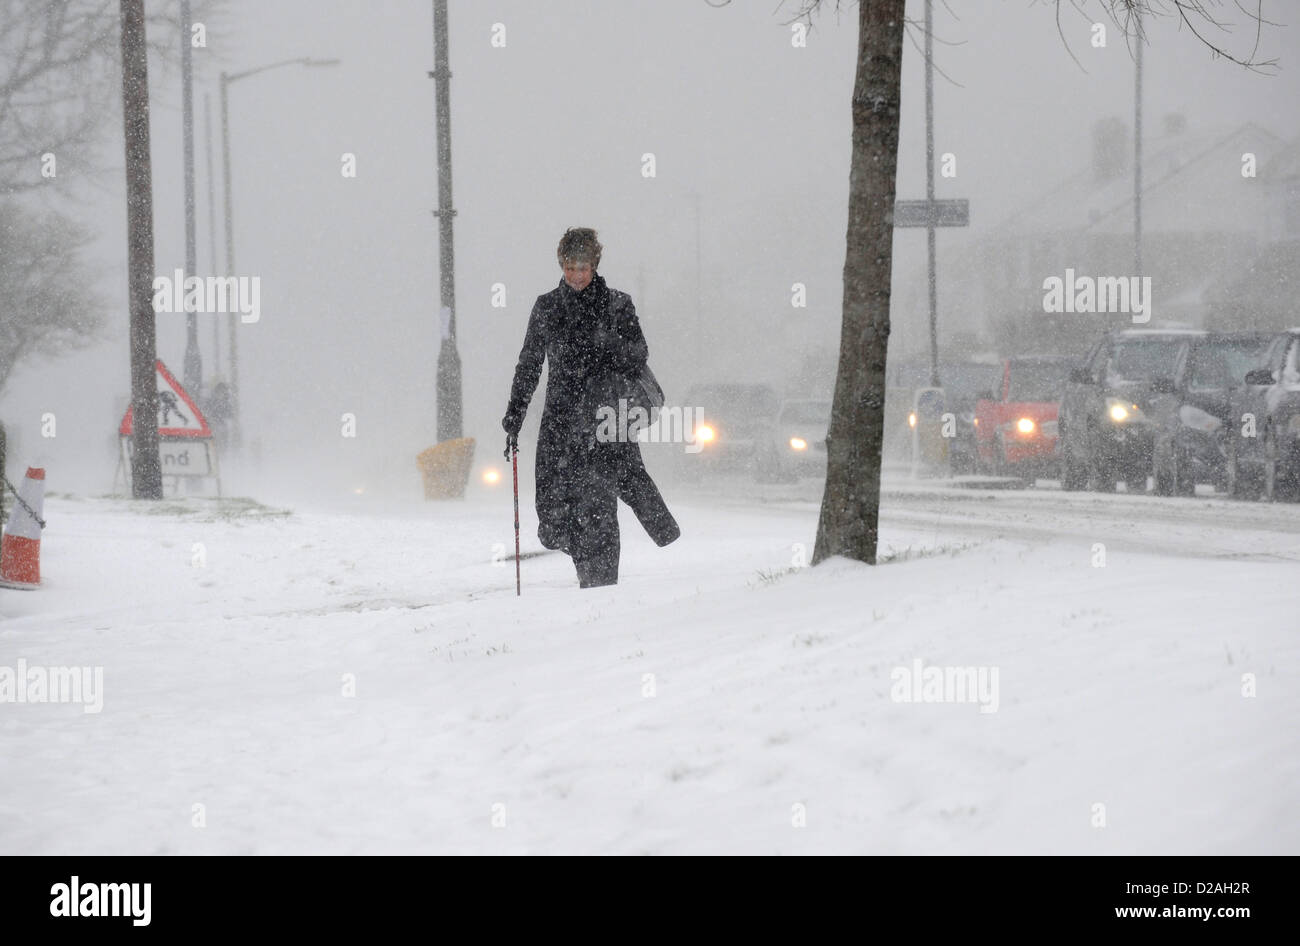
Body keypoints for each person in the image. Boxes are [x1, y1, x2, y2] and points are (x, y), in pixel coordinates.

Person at [502, 228, 680, 588]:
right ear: (561, 265)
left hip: (605, 420)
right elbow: (529, 363)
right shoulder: (548, 307)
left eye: (582, 267)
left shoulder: (617, 305)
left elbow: (638, 354)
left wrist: (608, 343)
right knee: (553, 516)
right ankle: (588, 558)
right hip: (560, 420)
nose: (576, 275)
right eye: (569, 267)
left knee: (597, 507)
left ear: (595, 265)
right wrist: (515, 415)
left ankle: (600, 585)